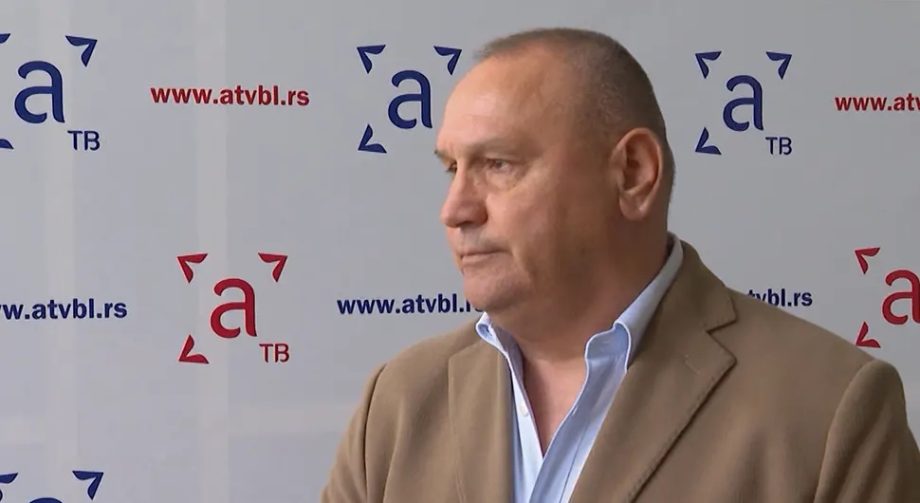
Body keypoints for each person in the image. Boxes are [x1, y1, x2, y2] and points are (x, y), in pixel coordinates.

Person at [321, 27, 920, 502]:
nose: (454, 210)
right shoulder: (397, 404)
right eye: (452, 168)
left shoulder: (830, 410)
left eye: (498, 164)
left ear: (633, 173)